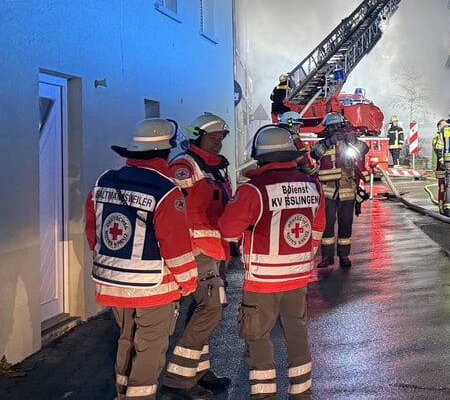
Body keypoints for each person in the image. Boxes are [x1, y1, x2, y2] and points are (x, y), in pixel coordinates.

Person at [84, 118, 198, 400]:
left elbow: (93, 232)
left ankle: (122, 393)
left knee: (126, 339)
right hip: (154, 288)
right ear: (165, 152)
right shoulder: (166, 190)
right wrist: (188, 284)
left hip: (112, 283)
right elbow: (176, 247)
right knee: (149, 347)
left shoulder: (103, 182)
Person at [218, 125, 324, 400]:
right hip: (299, 276)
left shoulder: (253, 190)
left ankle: (264, 396)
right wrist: (304, 257)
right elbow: (318, 227)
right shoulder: (312, 184)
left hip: (263, 280)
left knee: (258, 336)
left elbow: (228, 231)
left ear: (260, 156)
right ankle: (302, 394)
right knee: (297, 333)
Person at [161, 112, 233, 398]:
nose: (218, 144)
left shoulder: (215, 168)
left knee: (202, 312)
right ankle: (177, 379)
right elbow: (172, 210)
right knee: (211, 308)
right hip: (197, 251)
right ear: (198, 136)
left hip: (215, 249)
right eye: (213, 138)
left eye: (221, 138)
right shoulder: (184, 167)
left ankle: (199, 371)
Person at [311, 112, 370, 268]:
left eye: (338, 127)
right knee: (327, 225)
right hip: (328, 191)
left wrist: (354, 141)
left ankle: (344, 255)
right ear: (328, 129)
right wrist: (329, 142)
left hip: (347, 189)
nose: (336, 130)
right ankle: (326, 257)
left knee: (345, 224)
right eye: (332, 128)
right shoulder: (322, 143)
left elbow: (365, 149)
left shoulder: (350, 142)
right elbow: (314, 153)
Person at [278, 111, 319, 178]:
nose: (299, 127)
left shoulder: (274, 135)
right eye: (296, 124)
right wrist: (313, 174)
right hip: (291, 172)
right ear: (289, 123)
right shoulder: (293, 137)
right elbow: (302, 159)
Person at [432, 118, 449, 214]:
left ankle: (447, 206)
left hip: (446, 165)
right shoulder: (437, 136)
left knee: (448, 187)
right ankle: (442, 208)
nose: (446, 127)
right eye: (444, 126)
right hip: (441, 166)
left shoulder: (444, 135)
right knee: (442, 187)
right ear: (439, 127)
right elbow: (438, 149)